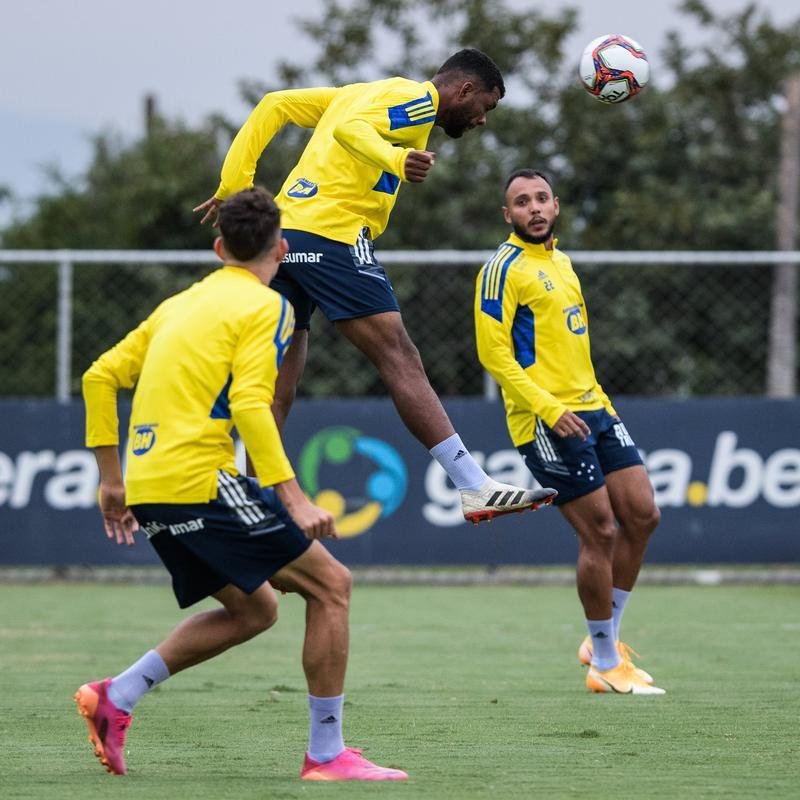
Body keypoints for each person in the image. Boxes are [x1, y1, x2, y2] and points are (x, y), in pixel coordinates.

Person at [74, 187, 408, 780]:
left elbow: (99, 376)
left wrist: (111, 480)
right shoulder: (269, 307)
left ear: (219, 247)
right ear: (281, 249)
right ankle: (327, 755)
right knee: (332, 585)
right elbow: (254, 402)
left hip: (150, 483)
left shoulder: (179, 304)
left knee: (255, 608)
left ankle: (116, 696)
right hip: (200, 478)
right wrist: (293, 496)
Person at [194, 49, 556, 523]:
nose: (482, 120)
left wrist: (234, 186)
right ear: (464, 90)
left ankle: (250, 512)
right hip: (332, 236)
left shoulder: (359, 94)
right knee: (398, 355)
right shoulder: (417, 101)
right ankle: (473, 484)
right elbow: (350, 132)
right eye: (484, 106)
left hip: (281, 239)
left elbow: (274, 104)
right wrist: (397, 158)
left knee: (278, 385)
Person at [474, 169, 664, 695]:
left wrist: (599, 401)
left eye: (540, 199)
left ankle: (604, 642)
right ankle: (604, 661)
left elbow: (572, 347)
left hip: (594, 408)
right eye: (520, 202)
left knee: (643, 516)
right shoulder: (501, 269)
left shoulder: (561, 262)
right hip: (542, 419)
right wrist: (547, 407)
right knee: (599, 531)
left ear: (555, 206)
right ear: (507, 214)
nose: (532, 208)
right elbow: (493, 353)